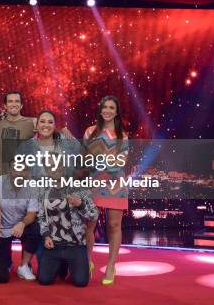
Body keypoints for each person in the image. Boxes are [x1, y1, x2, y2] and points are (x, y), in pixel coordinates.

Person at [83, 95, 129, 285]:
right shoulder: (90, 132)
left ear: (116, 112)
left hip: (115, 185)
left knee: (113, 226)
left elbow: (121, 161)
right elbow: (84, 158)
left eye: (111, 107)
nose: (108, 110)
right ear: (100, 110)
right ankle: (87, 261)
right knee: (89, 225)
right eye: (105, 107)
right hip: (92, 183)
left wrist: (101, 166)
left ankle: (111, 266)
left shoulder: (122, 135)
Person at [37, 164, 99, 287]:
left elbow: (94, 215)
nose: (54, 169)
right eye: (50, 167)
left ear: (64, 168)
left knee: (81, 282)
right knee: (44, 280)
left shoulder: (79, 189)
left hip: (75, 245)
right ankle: (61, 266)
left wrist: (80, 205)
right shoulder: (43, 191)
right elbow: (41, 217)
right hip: (53, 245)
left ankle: (68, 265)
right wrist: (46, 235)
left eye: (57, 166)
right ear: (46, 171)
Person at [0, 163, 40, 281]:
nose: (19, 174)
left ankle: (24, 265)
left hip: (22, 225)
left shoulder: (32, 186)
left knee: (36, 228)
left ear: (28, 172)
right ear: (9, 170)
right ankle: (7, 262)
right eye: (16, 170)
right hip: (2, 228)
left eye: (23, 170)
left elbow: (32, 214)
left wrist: (22, 223)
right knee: (3, 267)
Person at [0, 91, 35, 176]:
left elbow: (49, 127)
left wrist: (64, 129)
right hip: (2, 177)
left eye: (17, 101)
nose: (13, 104)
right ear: (5, 106)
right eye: (10, 101)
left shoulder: (30, 123)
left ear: (21, 105)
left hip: (21, 177)